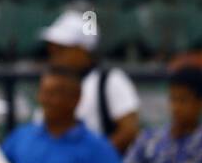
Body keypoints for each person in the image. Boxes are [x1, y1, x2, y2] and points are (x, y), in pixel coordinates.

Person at [2, 69, 123, 163]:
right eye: (43, 92)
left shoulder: (98, 148)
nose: (45, 99)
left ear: (76, 98)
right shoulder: (19, 137)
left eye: (54, 94)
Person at [40, 8, 141, 154]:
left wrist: (95, 158)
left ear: (83, 50)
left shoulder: (111, 80)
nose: (54, 55)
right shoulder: (51, 83)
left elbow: (129, 130)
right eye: (52, 49)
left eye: (62, 49)